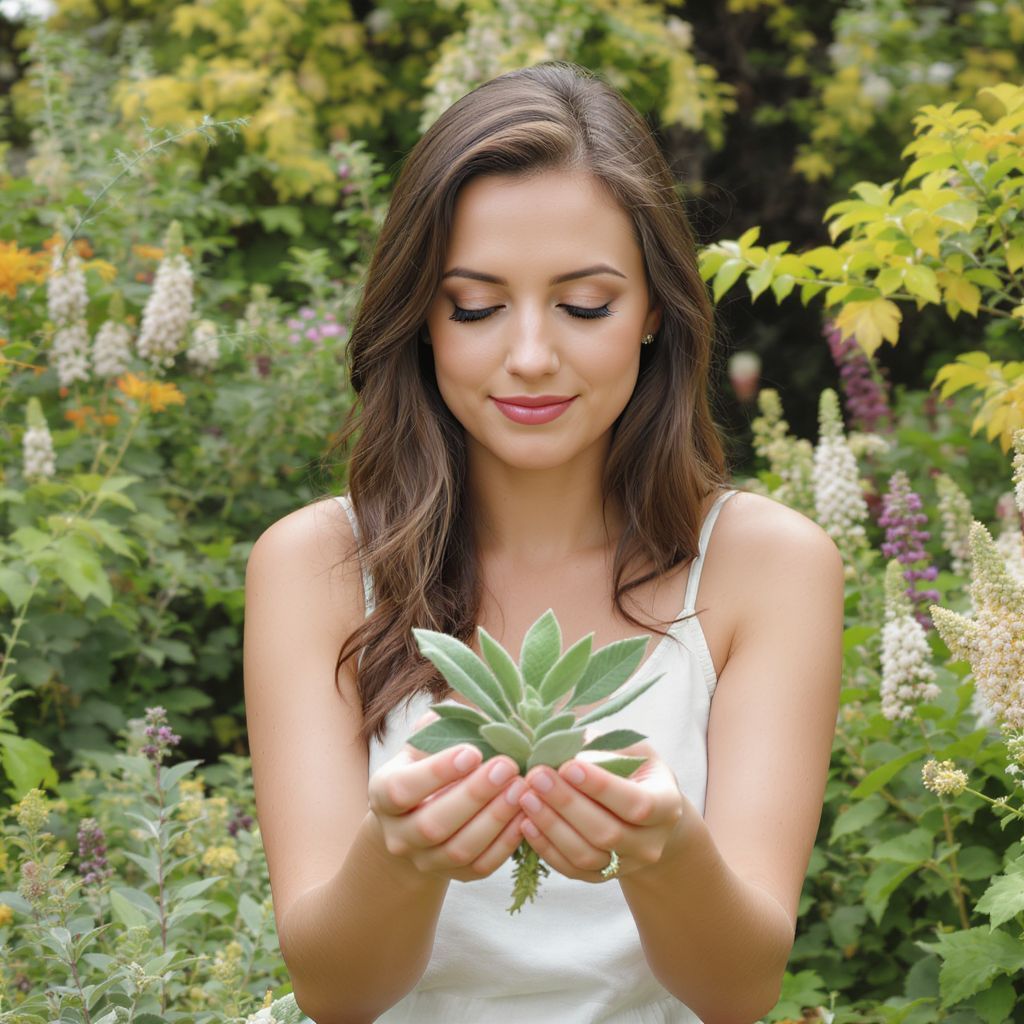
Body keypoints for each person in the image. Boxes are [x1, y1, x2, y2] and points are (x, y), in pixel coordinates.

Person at [243, 61, 844, 1024]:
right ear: (421, 321)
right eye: (475, 306)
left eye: (585, 304)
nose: (529, 354)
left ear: (654, 311)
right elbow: (334, 990)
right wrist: (397, 860)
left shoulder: (768, 567)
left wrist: (665, 853)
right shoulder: (314, 567)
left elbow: (740, 990)